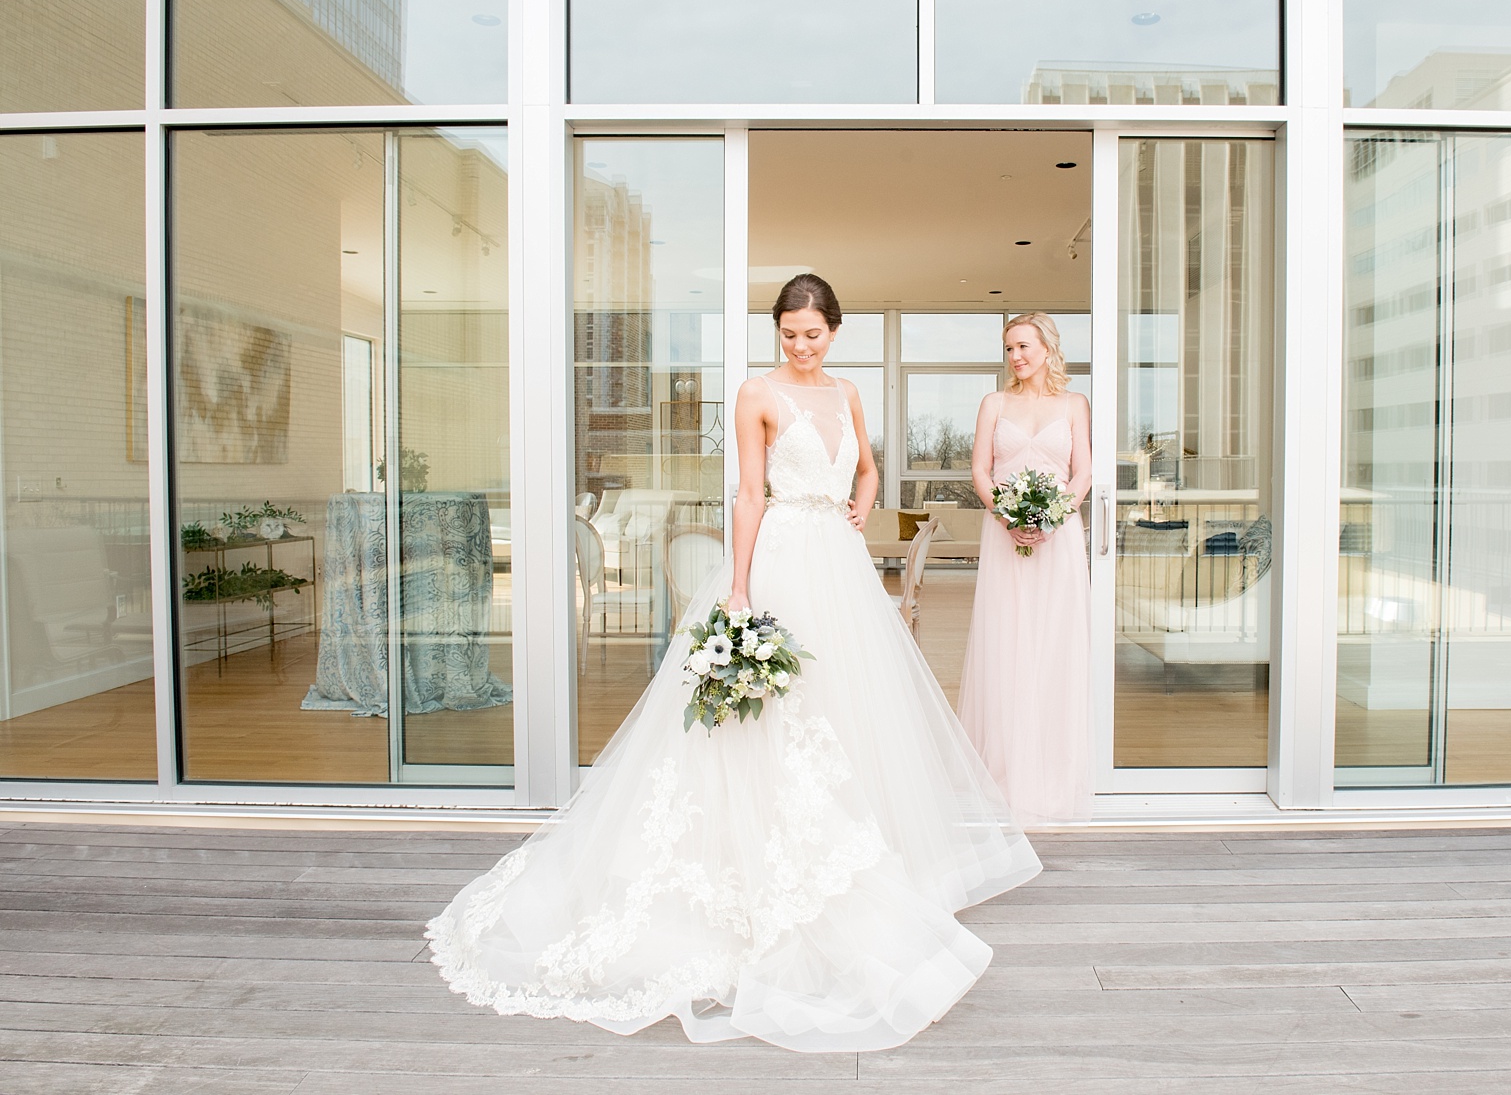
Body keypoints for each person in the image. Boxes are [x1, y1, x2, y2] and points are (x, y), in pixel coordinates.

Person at [426, 274, 1039, 1053]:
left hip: (840, 567)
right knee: (774, 717)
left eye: (812, 333)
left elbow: (867, 464)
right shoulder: (759, 393)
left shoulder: (848, 392)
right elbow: (749, 494)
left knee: (849, 708)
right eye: (789, 333)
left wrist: (868, 488)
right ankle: (752, 876)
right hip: (782, 558)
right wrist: (742, 584)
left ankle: (862, 859)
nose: (800, 345)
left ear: (834, 331)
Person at [959, 312, 1094, 824]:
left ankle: (1055, 772)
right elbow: (979, 468)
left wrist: (1055, 516)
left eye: (1023, 346)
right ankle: (1007, 772)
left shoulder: (1075, 404)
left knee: (1054, 645)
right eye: (1009, 348)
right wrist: (1004, 514)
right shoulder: (994, 403)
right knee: (1008, 643)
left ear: (1047, 348)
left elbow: (1083, 470)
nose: (1015, 357)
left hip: (1059, 541)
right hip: (1004, 537)